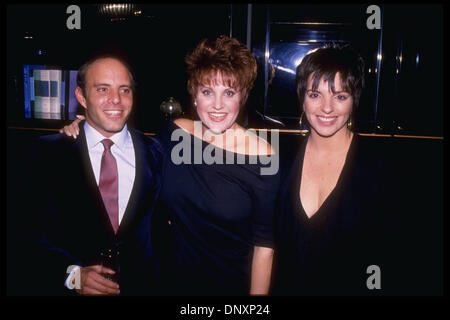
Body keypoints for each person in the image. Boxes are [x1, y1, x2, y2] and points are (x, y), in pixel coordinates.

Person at [61, 36, 280, 295]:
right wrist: (82, 127)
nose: (218, 105)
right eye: (208, 91)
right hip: (168, 282)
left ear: (242, 96)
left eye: (229, 93)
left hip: (229, 287)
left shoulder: (263, 155)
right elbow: (126, 150)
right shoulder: (175, 134)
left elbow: (264, 247)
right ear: (194, 95)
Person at [20, 54, 165, 295]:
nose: (116, 100)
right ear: (81, 96)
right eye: (102, 89)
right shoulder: (48, 153)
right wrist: (72, 275)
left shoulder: (156, 152)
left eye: (125, 90)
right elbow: (24, 233)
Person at [271, 44, 400, 295]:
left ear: (354, 101)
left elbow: (391, 256)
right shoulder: (279, 158)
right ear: (302, 98)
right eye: (315, 94)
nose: (327, 108)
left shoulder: (380, 168)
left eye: (340, 96)